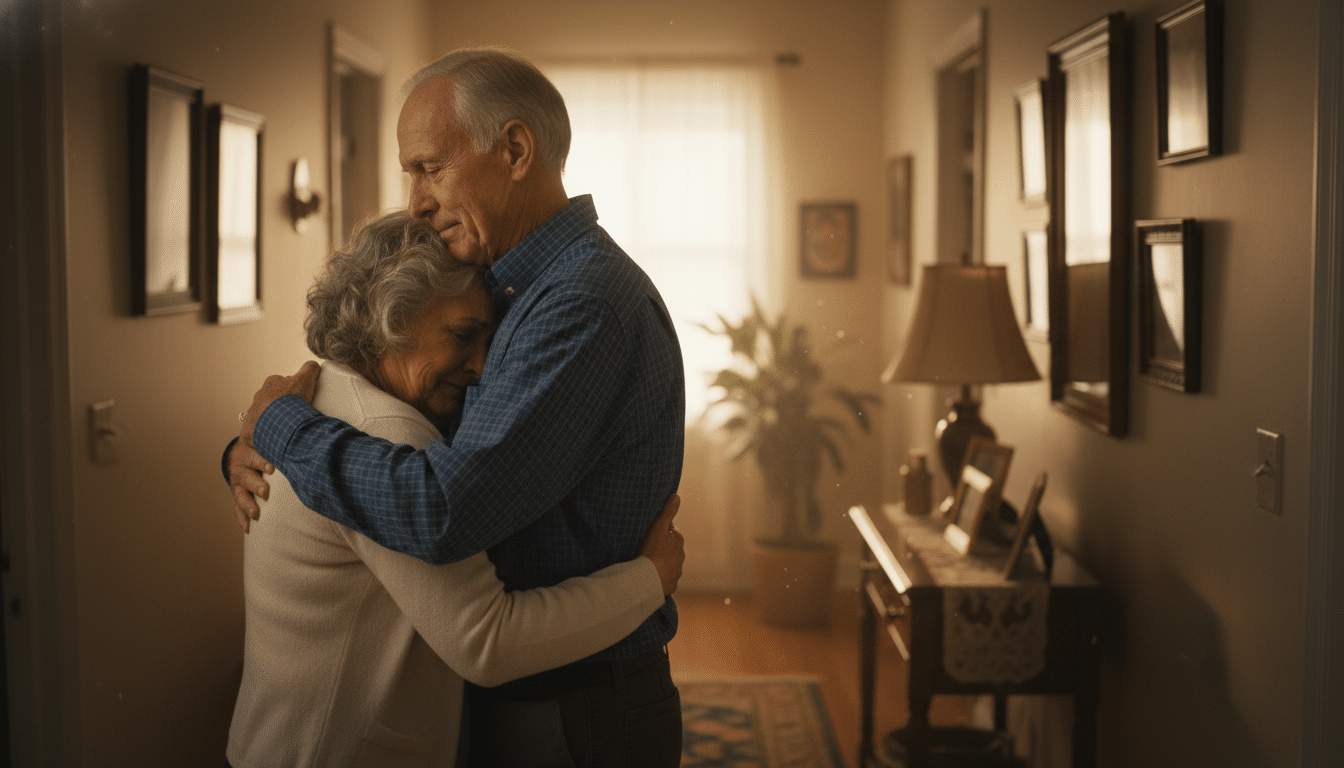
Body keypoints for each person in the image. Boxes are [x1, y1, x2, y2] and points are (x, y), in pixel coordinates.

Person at [228, 47, 687, 767]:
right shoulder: (514, 288)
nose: (415, 199)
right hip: (539, 695)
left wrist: (281, 426)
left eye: (428, 167)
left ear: (513, 149)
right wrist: (246, 449)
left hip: (575, 706)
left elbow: (448, 507)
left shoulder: (579, 303)